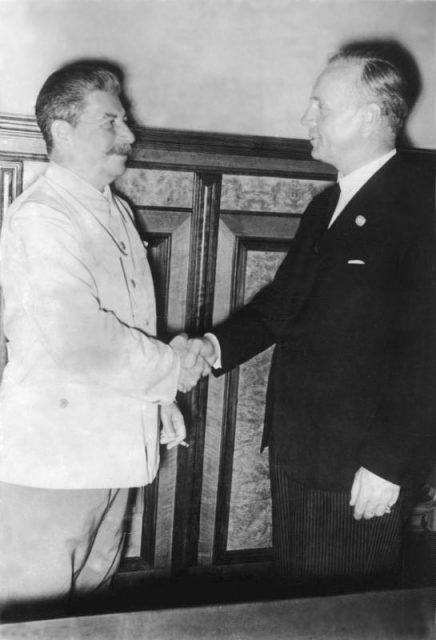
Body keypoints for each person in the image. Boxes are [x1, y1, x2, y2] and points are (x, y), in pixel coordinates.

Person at [187, 44, 436, 594]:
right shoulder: (326, 205)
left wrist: (389, 462)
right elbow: (282, 305)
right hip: (304, 449)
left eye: (321, 106)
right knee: (303, 597)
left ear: (371, 115)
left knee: (350, 614)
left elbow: (428, 347)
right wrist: (212, 346)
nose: (307, 118)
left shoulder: (424, 197)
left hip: (361, 463)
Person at [0, 62, 206, 619]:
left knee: (88, 611)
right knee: (32, 621)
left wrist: (158, 400)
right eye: (110, 122)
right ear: (62, 132)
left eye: (126, 121)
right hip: (53, 467)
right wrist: (172, 370)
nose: (130, 135)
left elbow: (130, 324)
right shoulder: (42, 218)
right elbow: (83, 341)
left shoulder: (115, 210)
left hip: (111, 457)